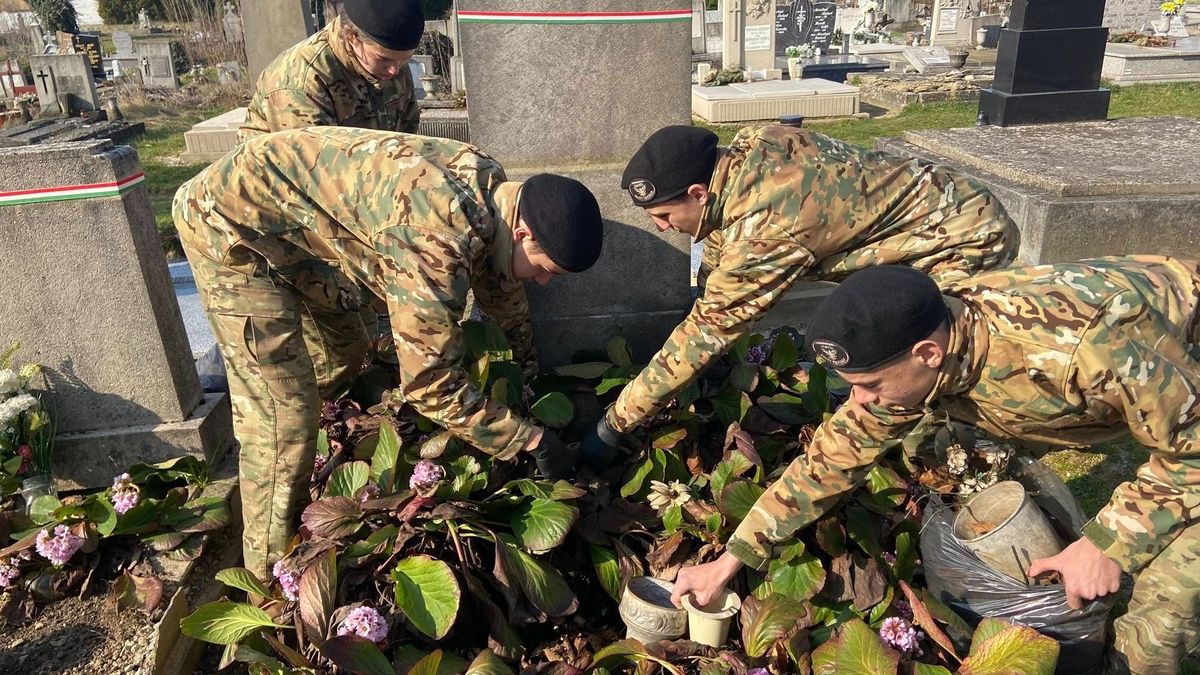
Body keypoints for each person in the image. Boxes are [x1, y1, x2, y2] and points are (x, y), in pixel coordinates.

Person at [670, 259, 1200, 675]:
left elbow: (1193, 448)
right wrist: (731, 560)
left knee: (1165, 608)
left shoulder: (1078, 353)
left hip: (1179, 371)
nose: (859, 402)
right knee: (939, 441)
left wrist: (1108, 542)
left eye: (870, 385)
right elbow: (829, 461)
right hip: (1145, 387)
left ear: (927, 354)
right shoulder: (927, 352)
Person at [173, 126, 604, 578]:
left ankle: (316, 441)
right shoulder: (434, 233)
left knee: (346, 348)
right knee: (283, 415)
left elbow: (502, 292)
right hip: (228, 226)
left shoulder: (495, 192)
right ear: (522, 233)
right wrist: (526, 440)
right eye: (544, 270)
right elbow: (429, 385)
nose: (543, 283)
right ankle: (272, 574)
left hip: (297, 230)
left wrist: (527, 376)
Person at [580, 124, 1019, 466]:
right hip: (943, 203)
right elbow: (720, 247)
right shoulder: (750, 149)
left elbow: (707, 329)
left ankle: (967, 461)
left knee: (919, 370)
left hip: (962, 239)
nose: (661, 226)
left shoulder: (769, 229)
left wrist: (614, 424)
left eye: (663, 214)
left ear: (698, 192)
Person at [239, 0, 423, 140]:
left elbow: (407, 138)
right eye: (384, 59)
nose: (394, 71)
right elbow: (313, 175)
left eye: (404, 60)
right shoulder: (302, 82)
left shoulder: (391, 63)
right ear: (352, 37)